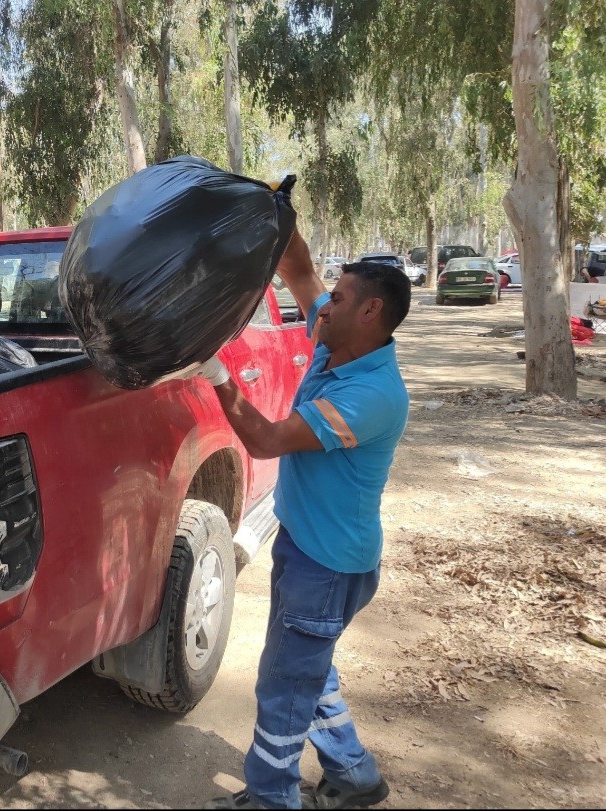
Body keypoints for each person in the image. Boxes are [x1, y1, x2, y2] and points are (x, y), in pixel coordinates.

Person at [196, 231, 411, 811]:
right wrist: (275, 214)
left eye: (338, 299)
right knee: (312, 671)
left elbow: (265, 441)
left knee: (284, 686)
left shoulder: (373, 395)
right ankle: (355, 775)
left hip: (327, 564)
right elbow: (299, 270)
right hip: (310, 549)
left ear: (371, 312)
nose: (321, 306)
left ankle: (271, 800)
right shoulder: (339, 338)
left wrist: (217, 374)